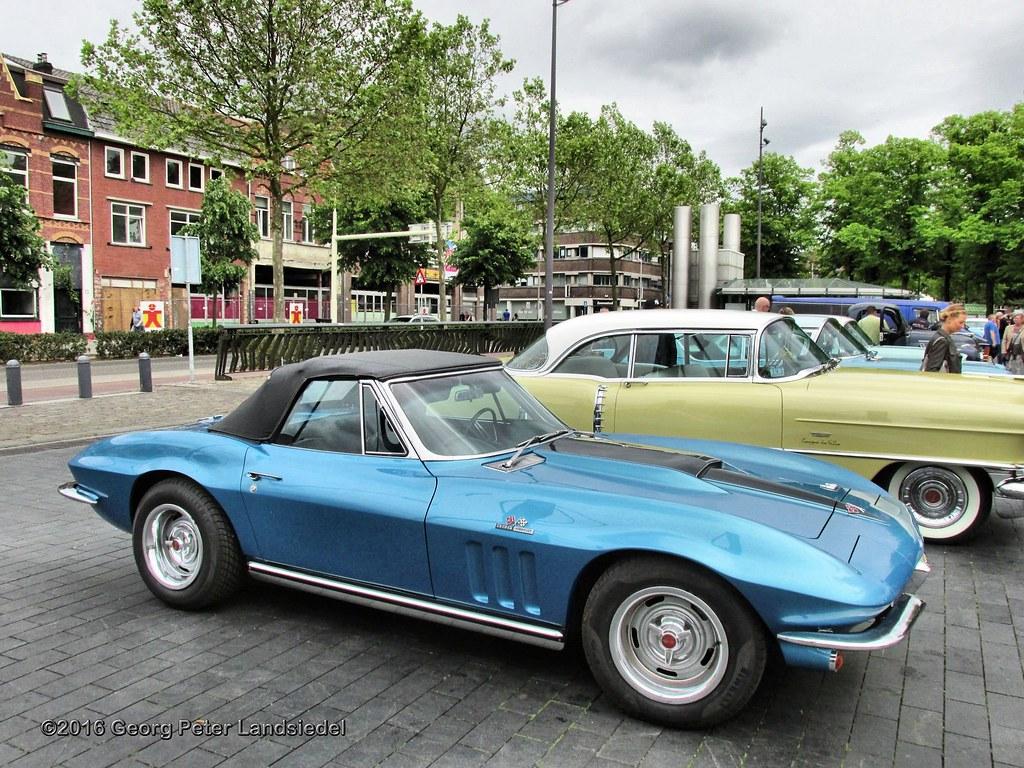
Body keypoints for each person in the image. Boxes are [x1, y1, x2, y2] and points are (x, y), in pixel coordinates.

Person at [921, 303, 967, 373]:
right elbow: (931, 371)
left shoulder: (942, 338)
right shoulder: (942, 341)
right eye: (960, 322)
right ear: (949, 319)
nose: (963, 326)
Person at [1002, 310, 1024, 375]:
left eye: (1017, 318)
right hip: (1010, 350)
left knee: (1020, 367)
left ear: (1022, 319)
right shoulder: (1008, 328)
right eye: (1014, 318)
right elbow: (1004, 340)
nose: (1015, 320)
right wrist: (1003, 351)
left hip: (1021, 351)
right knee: (1010, 367)